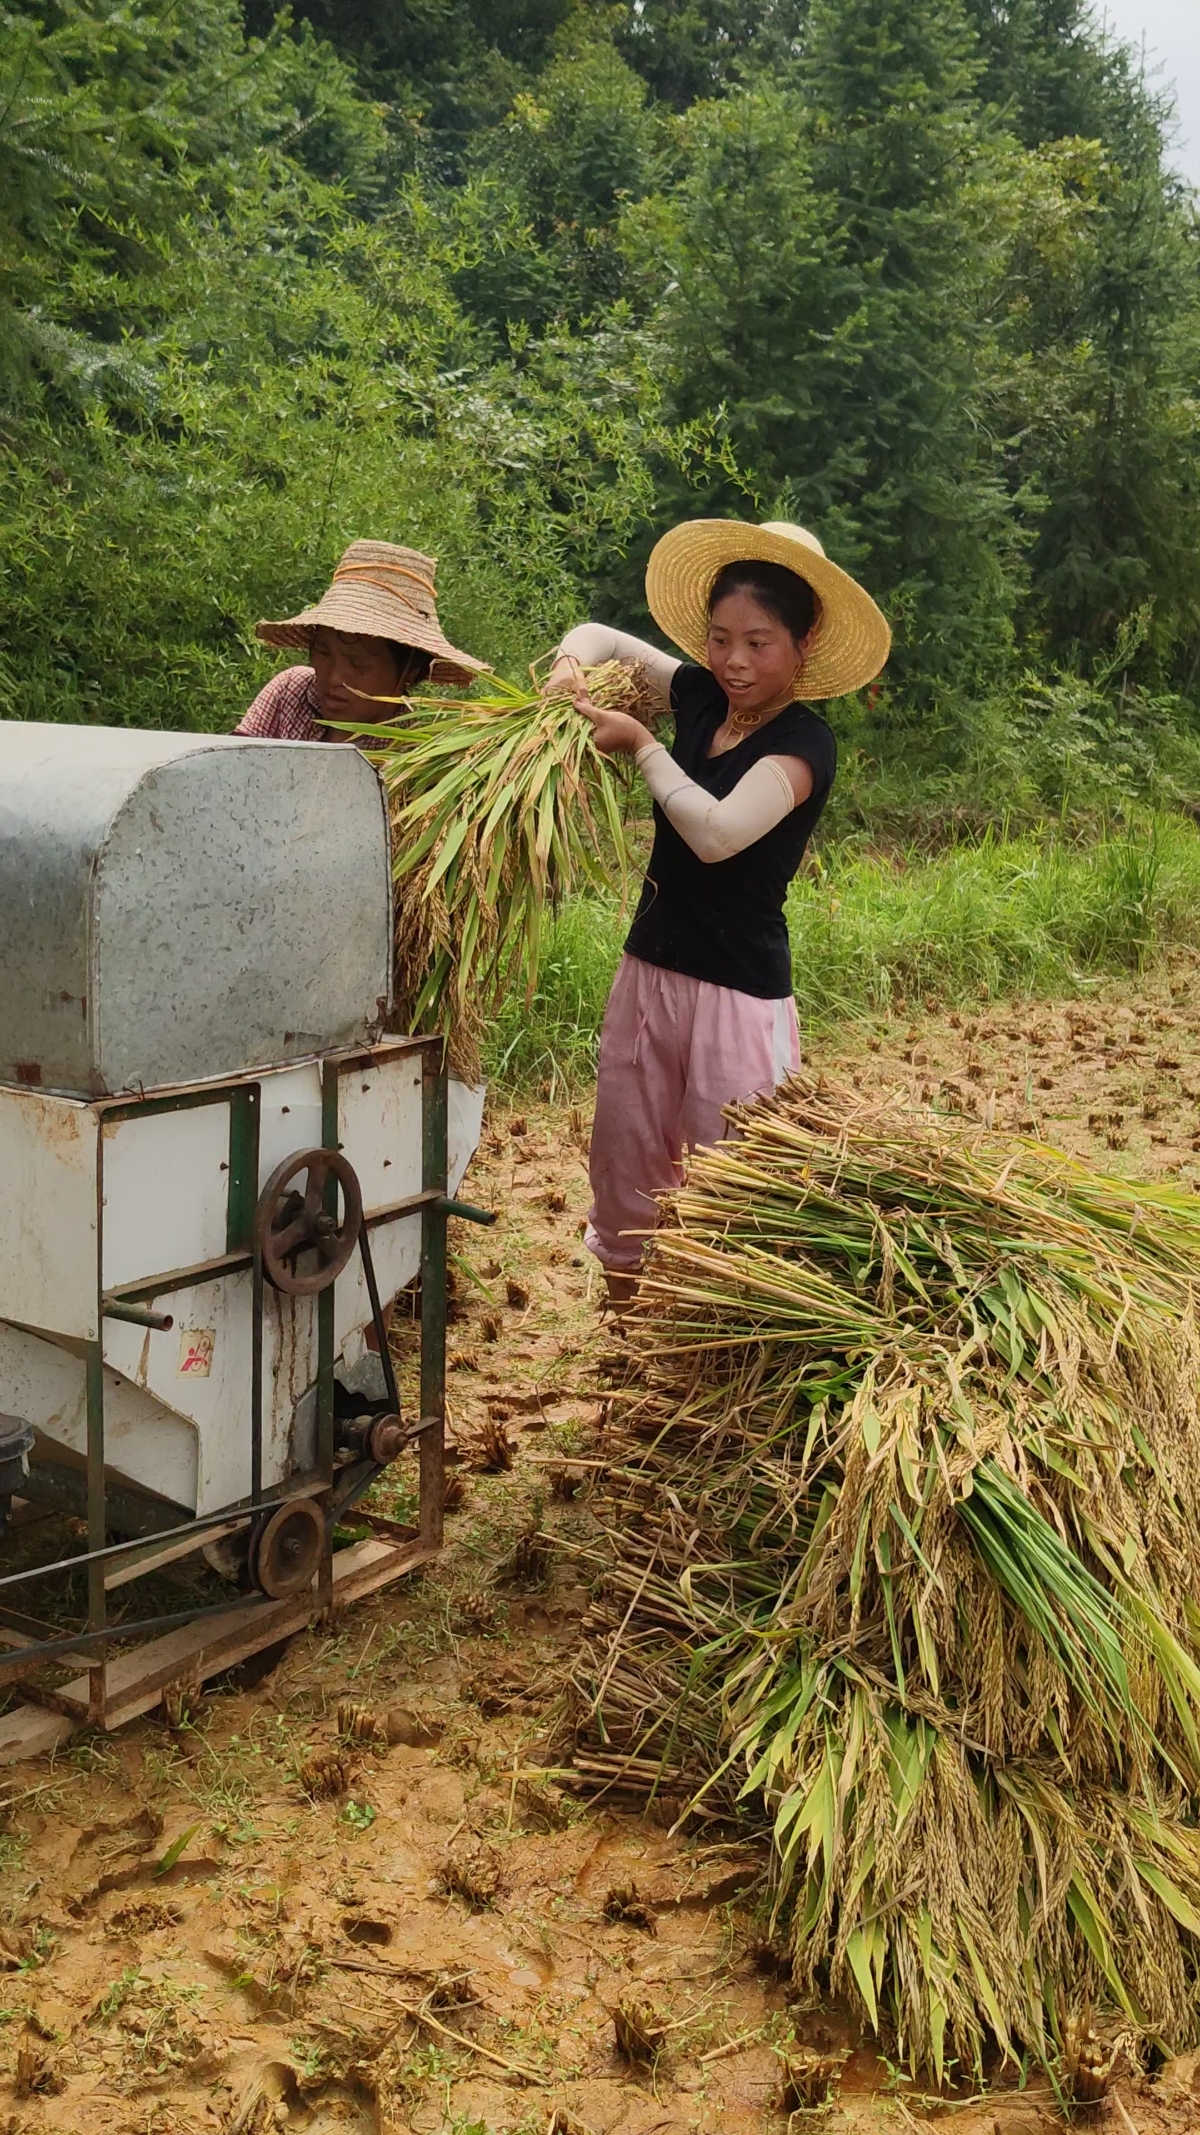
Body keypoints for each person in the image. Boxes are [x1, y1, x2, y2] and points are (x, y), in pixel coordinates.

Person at [545, 518, 890, 1301]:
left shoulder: (806, 745)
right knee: (627, 1164)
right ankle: (626, 1348)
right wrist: (568, 670)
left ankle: (706, 1368)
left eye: (759, 642)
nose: (734, 661)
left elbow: (717, 833)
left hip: (736, 995)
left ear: (804, 644)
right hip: (650, 974)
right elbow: (598, 634)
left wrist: (641, 745)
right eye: (720, 637)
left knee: (729, 1182)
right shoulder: (700, 695)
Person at [237, 538, 485, 741]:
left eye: (358, 664)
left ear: (409, 671)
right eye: (323, 653)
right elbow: (230, 774)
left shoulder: (410, 751)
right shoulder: (290, 693)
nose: (334, 678)